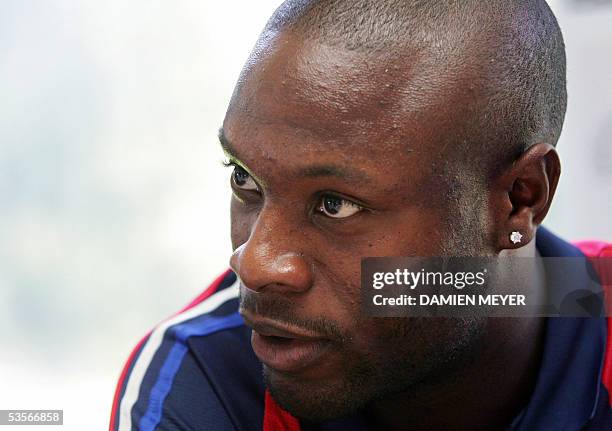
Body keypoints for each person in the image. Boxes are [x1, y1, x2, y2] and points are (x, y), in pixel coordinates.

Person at [109, 1, 612, 430]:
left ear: (520, 199)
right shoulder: (205, 376)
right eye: (245, 179)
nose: (256, 265)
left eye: (335, 205)